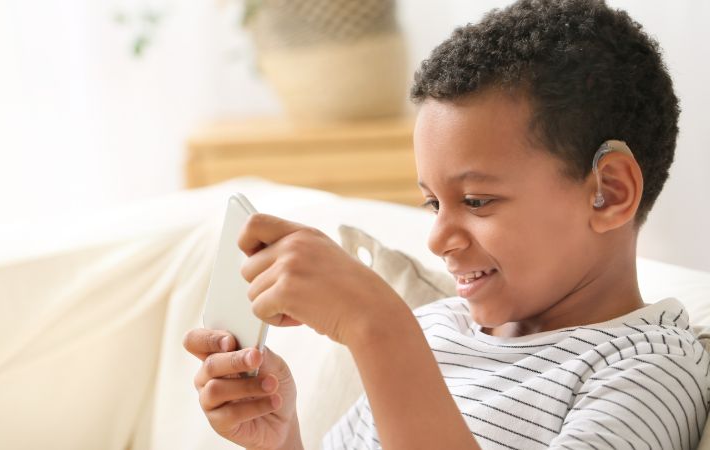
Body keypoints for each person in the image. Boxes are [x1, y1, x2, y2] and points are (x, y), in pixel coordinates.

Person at [183, 0, 710, 448]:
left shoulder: (647, 371)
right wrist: (282, 437)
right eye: (433, 203)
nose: (438, 238)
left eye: (477, 201)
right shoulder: (437, 330)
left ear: (608, 193)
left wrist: (380, 329)